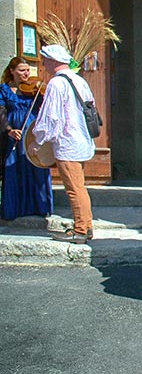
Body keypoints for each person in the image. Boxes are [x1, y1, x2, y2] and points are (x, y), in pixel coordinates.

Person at [31, 45, 96, 244]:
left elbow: (52, 117)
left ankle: (81, 229)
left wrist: (38, 140)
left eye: (45, 60)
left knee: (74, 188)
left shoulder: (56, 84)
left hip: (67, 143)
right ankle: (86, 225)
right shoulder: (79, 80)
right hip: (80, 140)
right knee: (79, 186)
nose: (43, 64)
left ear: (53, 60)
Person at [1, 57, 52, 220]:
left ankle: (40, 206)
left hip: (33, 131)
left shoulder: (36, 89)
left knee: (36, 165)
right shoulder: (4, 89)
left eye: (28, 70)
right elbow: (0, 112)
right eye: (22, 70)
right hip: (14, 132)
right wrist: (8, 130)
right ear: (12, 71)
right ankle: (14, 208)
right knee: (13, 167)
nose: (26, 74)